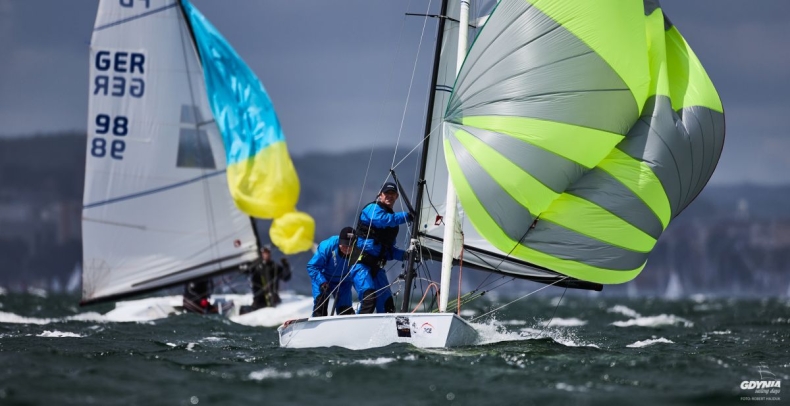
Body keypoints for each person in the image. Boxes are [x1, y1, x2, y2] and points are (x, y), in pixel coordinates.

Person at [350, 181, 413, 314]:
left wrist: (406, 256)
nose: (389, 196)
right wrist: (409, 216)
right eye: (386, 193)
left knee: (387, 305)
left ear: (396, 197)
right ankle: (355, 330)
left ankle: (386, 332)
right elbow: (383, 220)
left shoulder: (393, 224)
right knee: (369, 299)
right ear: (380, 195)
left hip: (377, 268)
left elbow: (389, 251)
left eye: (393, 194)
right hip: (360, 265)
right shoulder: (372, 209)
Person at [307, 226, 356, 317]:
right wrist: (322, 282)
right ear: (339, 242)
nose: (347, 248)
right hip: (323, 279)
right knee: (320, 310)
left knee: (345, 311)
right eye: (344, 245)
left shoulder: (359, 248)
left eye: (350, 246)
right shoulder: (327, 246)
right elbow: (312, 266)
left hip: (344, 281)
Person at [243, 245, 291, 312]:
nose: (266, 254)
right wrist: (247, 264)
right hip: (259, 300)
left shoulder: (275, 266)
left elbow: (286, 277)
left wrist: (286, 266)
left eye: (268, 252)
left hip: (273, 299)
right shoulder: (255, 266)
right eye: (264, 253)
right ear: (261, 254)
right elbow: (245, 271)